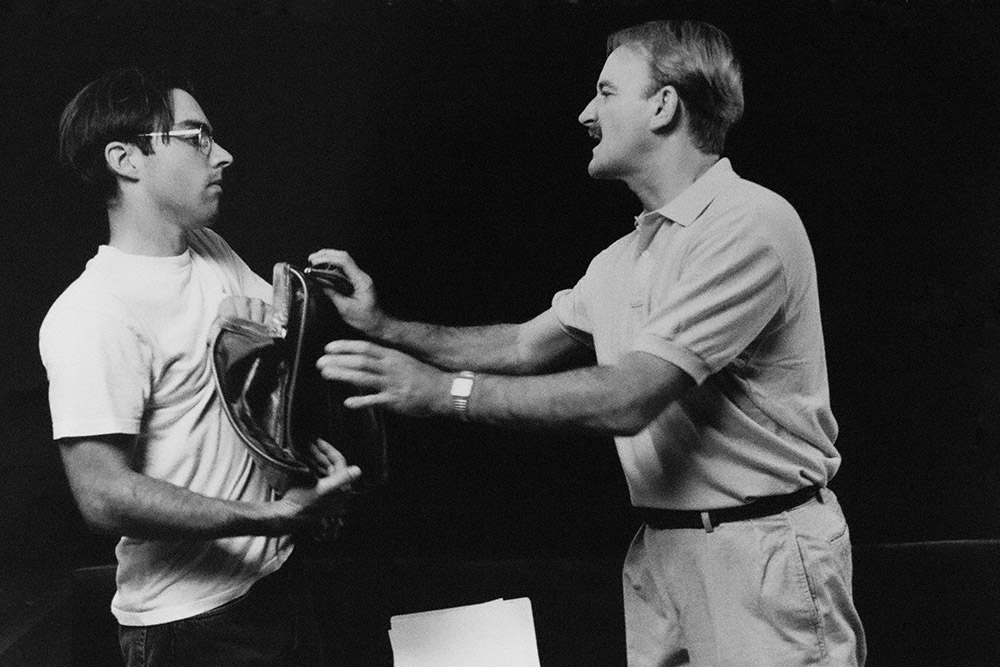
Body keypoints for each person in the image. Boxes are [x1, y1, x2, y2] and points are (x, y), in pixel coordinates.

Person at [310, 19, 865, 667]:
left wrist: (441, 391)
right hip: (665, 551)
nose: (584, 113)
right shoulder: (623, 258)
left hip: (759, 554)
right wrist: (383, 325)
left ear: (663, 105)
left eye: (605, 92)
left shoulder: (749, 225)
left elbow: (631, 395)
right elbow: (521, 346)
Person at [39, 67, 360, 666]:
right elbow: (103, 496)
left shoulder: (208, 250)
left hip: (276, 579)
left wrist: (322, 308)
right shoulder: (92, 314)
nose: (224, 155)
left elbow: (279, 355)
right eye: (197, 138)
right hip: (190, 625)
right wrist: (270, 516)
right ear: (125, 159)